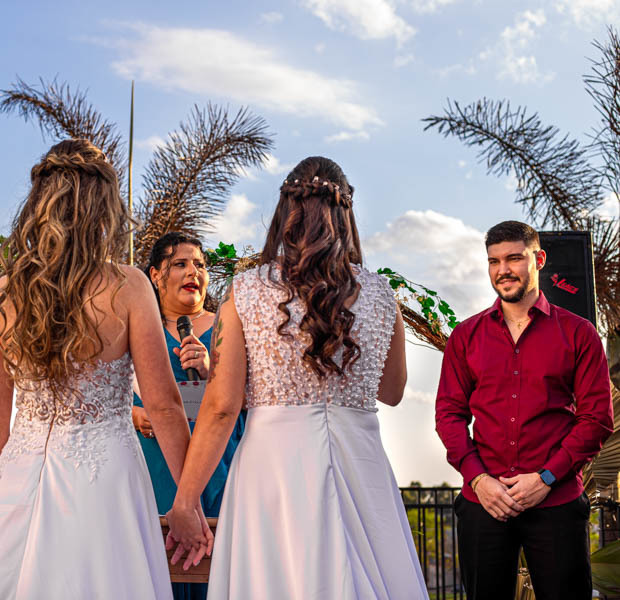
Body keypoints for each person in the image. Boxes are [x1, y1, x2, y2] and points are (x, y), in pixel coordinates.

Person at [0, 139, 209, 600]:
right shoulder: (128, 287)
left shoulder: (3, 295)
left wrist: (10, 491)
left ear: (39, 206)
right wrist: (188, 501)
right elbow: (164, 405)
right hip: (105, 481)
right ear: (104, 207)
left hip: (18, 478)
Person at [166, 157, 429, 599]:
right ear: (345, 215)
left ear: (285, 213)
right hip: (360, 463)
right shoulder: (382, 295)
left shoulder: (247, 291)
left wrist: (185, 499)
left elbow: (222, 405)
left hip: (276, 470)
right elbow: (394, 391)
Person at [435, 220, 612, 600]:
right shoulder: (466, 337)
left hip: (557, 501)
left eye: (514, 258)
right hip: (484, 502)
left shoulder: (579, 333)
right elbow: (448, 414)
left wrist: (545, 478)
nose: (503, 270)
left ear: (539, 259)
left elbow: (597, 418)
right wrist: (480, 481)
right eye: (494, 261)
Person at [132, 232, 246, 600]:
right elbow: (104, 391)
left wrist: (216, 371)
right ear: (155, 274)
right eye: (180, 263)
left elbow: (261, 396)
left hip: (221, 459)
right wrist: (133, 414)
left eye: (199, 264)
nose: (192, 271)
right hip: (156, 461)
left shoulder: (230, 323)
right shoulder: (137, 324)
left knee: (220, 563)